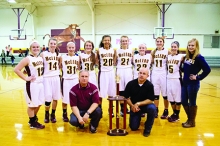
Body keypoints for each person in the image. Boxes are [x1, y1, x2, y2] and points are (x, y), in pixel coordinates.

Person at [14, 40, 45, 129]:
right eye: (33, 47)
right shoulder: (27, 59)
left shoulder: (40, 58)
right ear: (30, 48)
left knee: (39, 103)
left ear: (39, 48)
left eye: (37, 47)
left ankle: (33, 119)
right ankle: (32, 123)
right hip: (32, 85)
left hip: (40, 83)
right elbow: (16, 69)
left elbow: (31, 69)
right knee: (32, 105)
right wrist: (26, 78)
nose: (35, 48)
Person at [181, 38, 211, 128]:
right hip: (185, 82)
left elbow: (207, 69)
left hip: (193, 84)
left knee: (192, 102)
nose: (190, 47)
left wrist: (198, 77)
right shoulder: (186, 56)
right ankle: (190, 119)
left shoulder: (199, 57)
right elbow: (185, 69)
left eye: (192, 45)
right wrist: (179, 65)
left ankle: (191, 121)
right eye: (189, 45)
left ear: (196, 46)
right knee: (183, 101)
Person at [124, 68, 156, 137]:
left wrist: (138, 103)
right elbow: (126, 97)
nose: (141, 75)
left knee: (152, 108)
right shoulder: (130, 84)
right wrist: (132, 106)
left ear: (147, 76)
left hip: (145, 106)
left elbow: (151, 99)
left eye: (144, 74)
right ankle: (136, 118)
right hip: (134, 107)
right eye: (140, 73)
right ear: (138, 74)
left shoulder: (150, 85)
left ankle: (147, 128)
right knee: (133, 128)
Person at [40, 37, 61, 123]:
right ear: (48, 44)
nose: (52, 45)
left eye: (54, 44)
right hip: (47, 78)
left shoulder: (59, 55)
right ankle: (46, 114)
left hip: (56, 77)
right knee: (48, 98)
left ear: (56, 45)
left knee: (55, 97)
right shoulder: (43, 54)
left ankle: (53, 114)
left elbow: (60, 65)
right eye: (51, 43)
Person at [97, 35, 116, 116]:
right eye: (105, 40)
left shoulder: (113, 50)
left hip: (111, 72)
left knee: (111, 92)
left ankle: (110, 109)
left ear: (110, 41)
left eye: (108, 40)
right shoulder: (99, 50)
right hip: (103, 73)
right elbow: (97, 61)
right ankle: (99, 110)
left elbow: (114, 61)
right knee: (101, 93)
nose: (107, 42)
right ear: (102, 41)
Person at [60, 42, 80, 122]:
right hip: (66, 79)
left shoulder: (78, 57)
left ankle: (75, 113)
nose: (71, 49)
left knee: (76, 98)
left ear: (75, 48)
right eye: (69, 47)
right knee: (65, 99)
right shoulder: (62, 57)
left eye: (72, 47)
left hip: (75, 79)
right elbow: (60, 67)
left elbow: (78, 68)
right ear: (67, 48)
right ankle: (64, 114)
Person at [151, 37, 170, 119]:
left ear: (163, 43)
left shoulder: (167, 51)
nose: (159, 43)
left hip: (163, 73)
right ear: (155, 43)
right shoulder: (153, 51)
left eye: (160, 41)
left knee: (165, 94)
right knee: (156, 93)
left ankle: (166, 110)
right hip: (155, 73)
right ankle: (156, 110)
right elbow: (151, 62)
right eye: (157, 41)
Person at [167, 41, 184, 122]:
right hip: (168, 79)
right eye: (172, 46)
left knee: (177, 99)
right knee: (171, 98)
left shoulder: (181, 56)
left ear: (178, 48)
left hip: (177, 79)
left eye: (175, 47)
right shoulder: (168, 56)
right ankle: (174, 114)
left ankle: (177, 115)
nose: (173, 48)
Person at [116, 35, 133, 117]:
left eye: (126, 41)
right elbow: (115, 62)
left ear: (128, 41)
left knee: (129, 89)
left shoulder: (131, 50)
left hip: (128, 70)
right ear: (120, 42)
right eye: (123, 41)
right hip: (119, 70)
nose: (124, 42)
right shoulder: (117, 51)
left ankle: (130, 106)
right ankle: (123, 108)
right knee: (120, 90)